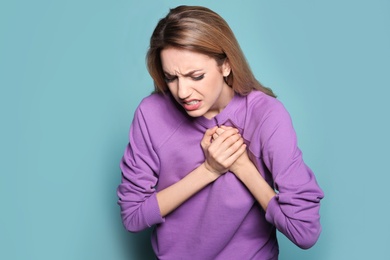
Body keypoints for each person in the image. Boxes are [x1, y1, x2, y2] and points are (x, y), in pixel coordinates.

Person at [117, 5, 324, 260]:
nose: (182, 92)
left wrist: (244, 169)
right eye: (171, 78)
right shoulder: (151, 114)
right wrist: (209, 170)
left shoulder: (266, 116)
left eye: (196, 76)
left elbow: (304, 231)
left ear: (225, 65)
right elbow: (133, 216)